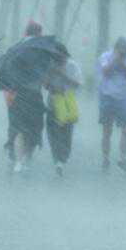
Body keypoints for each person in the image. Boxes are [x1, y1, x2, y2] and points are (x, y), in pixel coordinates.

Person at [97, 37, 126, 172]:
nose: (124, 54)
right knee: (107, 131)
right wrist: (115, 59)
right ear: (116, 48)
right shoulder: (106, 56)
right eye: (122, 51)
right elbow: (105, 72)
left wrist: (123, 64)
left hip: (124, 98)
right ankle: (105, 157)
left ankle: (122, 158)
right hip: (108, 97)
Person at [7, 20, 46, 172]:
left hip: (18, 94)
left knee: (20, 127)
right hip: (34, 94)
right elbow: (44, 74)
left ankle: (18, 160)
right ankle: (26, 157)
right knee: (34, 127)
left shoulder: (16, 48)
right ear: (37, 33)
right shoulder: (42, 51)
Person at [44, 44, 82, 176]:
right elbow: (46, 85)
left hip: (67, 104)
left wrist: (63, 74)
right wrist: (50, 74)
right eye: (55, 57)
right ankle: (57, 161)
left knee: (66, 134)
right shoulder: (50, 65)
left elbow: (77, 84)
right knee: (53, 133)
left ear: (65, 55)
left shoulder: (73, 66)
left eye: (60, 57)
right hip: (52, 103)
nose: (58, 59)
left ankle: (63, 158)